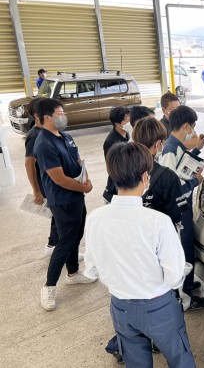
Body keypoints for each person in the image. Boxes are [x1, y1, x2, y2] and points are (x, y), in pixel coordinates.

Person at [83, 142, 196, 368]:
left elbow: (91, 268)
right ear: (146, 177)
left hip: (120, 307)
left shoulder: (95, 217)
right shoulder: (158, 222)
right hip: (159, 307)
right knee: (180, 359)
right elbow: (174, 277)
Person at [34, 98, 97, 311]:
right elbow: (58, 178)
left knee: (76, 236)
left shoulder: (65, 136)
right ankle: (49, 287)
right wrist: (85, 188)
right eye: (60, 113)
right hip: (62, 201)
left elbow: (79, 161)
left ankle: (72, 274)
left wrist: (86, 180)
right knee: (64, 244)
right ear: (47, 118)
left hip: (77, 197)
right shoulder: (43, 144)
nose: (63, 116)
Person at [159, 105, 204, 311]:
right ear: (186, 125)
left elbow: (182, 168)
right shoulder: (170, 150)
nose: (194, 131)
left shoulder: (177, 146)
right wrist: (195, 182)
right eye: (193, 127)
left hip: (184, 207)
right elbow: (170, 189)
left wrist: (196, 150)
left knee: (188, 248)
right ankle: (185, 299)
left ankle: (187, 283)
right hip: (177, 211)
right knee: (183, 251)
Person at [132, 117, 188, 226]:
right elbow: (176, 215)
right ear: (158, 144)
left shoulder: (121, 169)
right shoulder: (168, 177)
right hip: (159, 236)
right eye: (163, 142)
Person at [24, 97, 58, 257]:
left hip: (52, 181)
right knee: (60, 216)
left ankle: (52, 244)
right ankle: (54, 246)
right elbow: (29, 164)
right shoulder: (34, 135)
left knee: (57, 216)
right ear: (38, 115)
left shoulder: (45, 131)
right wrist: (36, 190)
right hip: (46, 184)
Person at [102, 107, 131, 203]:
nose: (130, 123)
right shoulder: (112, 142)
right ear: (117, 124)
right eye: (127, 121)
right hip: (117, 189)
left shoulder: (126, 134)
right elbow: (111, 168)